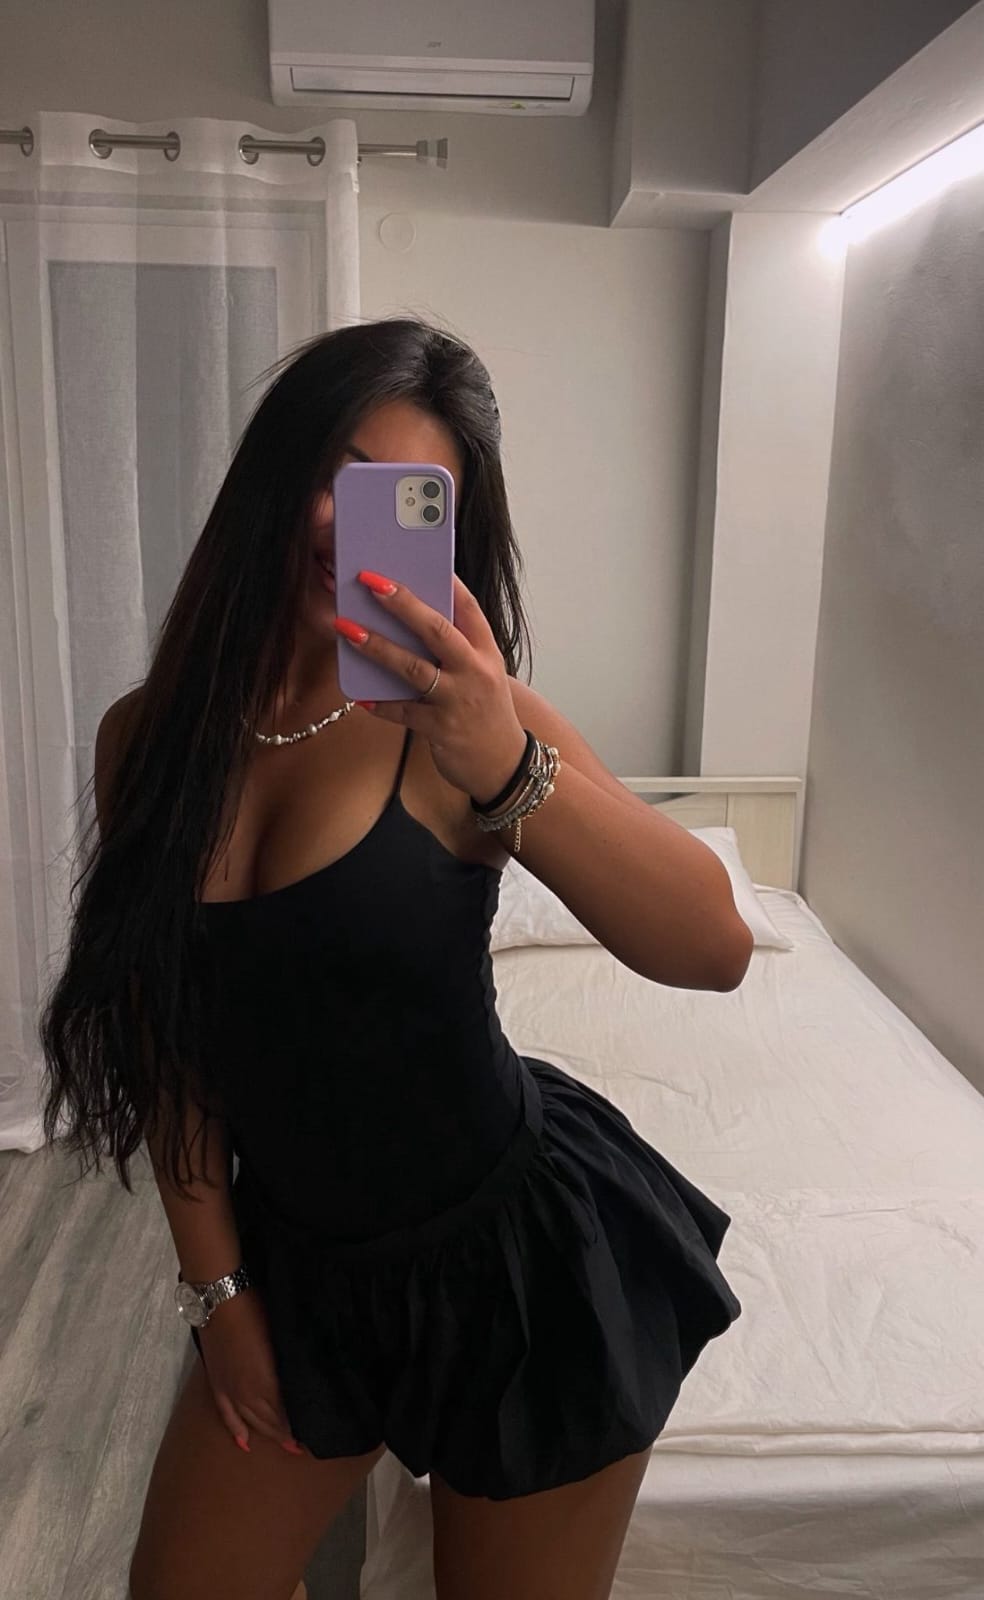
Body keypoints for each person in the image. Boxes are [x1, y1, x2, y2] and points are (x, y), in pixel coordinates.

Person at [38, 317, 749, 1600]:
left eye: (396, 497)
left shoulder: (462, 721)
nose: (335, 518)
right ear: (267, 476)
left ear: (442, 536)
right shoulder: (145, 739)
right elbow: (170, 1041)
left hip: (515, 1272)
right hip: (300, 1271)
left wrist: (506, 765)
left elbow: (715, 943)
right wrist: (218, 1291)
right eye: (327, 470)